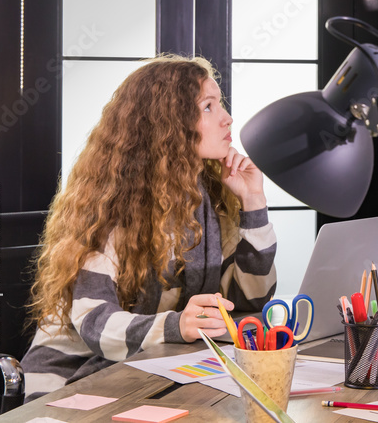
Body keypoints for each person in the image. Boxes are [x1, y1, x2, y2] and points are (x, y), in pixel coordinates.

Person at [21, 55, 277, 401]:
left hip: (151, 370)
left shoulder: (211, 195)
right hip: (71, 382)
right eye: (208, 107)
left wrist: (253, 202)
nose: (227, 118)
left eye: (220, 105)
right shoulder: (109, 204)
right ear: (168, 125)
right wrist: (177, 325)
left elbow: (250, 299)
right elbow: (95, 320)